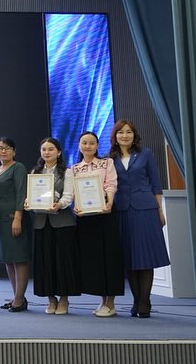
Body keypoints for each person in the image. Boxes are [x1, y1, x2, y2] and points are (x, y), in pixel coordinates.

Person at [108, 120, 170, 318]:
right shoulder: (110, 158)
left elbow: (156, 183)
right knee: (130, 257)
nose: (125, 135)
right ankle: (136, 300)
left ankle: (145, 301)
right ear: (115, 136)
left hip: (145, 209)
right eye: (121, 132)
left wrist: (159, 210)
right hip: (121, 209)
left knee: (145, 256)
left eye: (129, 132)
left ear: (134, 135)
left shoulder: (146, 154)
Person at [72, 131, 123, 317]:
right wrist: (75, 207)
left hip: (105, 213)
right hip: (85, 218)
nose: (88, 146)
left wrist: (109, 202)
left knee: (108, 256)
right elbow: (75, 193)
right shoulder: (75, 168)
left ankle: (111, 302)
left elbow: (111, 184)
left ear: (97, 146)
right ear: (79, 145)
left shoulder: (106, 163)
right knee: (94, 259)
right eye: (84, 143)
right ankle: (102, 301)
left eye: (91, 143)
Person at [28, 137, 79, 315]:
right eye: (44, 149)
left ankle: (64, 299)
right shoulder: (35, 171)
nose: (47, 152)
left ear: (58, 152)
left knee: (63, 261)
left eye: (50, 149)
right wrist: (28, 203)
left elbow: (69, 196)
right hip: (42, 223)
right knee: (45, 261)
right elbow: (31, 195)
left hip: (62, 222)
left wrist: (59, 204)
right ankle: (51, 299)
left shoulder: (67, 172)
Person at [0, 137, 31, 312]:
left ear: (14, 151)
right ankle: (17, 297)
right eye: (0, 148)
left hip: (13, 217)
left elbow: (21, 193)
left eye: (7, 148)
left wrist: (18, 217)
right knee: (8, 259)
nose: (3, 151)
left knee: (19, 258)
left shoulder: (18, 168)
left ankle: (19, 299)